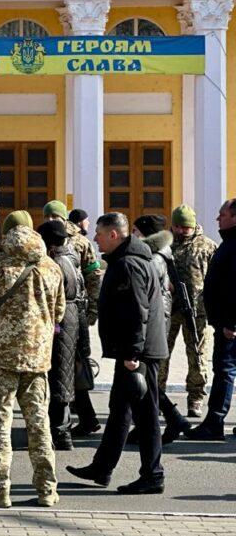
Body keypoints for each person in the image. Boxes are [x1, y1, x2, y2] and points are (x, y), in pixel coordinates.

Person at [0, 211, 64, 508]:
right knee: (39, 424)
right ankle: (47, 489)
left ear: (6, 233)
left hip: (0, 357)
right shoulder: (50, 267)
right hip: (37, 358)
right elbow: (59, 314)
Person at [68, 212, 168, 494]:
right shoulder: (127, 260)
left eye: (99, 234)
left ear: (114, 234)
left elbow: (138, 311)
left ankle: (153, 475)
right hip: (134, 350)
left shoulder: (128, 264)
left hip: (139, 353)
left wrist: (133, 352)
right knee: (119, 411)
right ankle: (102, 467)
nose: (94, 239)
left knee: (146, 415)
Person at [131, 214, 193, 443]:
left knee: (145, 376)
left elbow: (146, 295)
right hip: (158, 319)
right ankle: (166, 420)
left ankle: (172, 419)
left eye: (136, 231)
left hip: (153, 322)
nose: (133, 235)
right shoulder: (158, 253)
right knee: (145, 377)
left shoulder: (153, 257)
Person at [44, 201, 104, 437]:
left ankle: (69, 424)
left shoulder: (79, 241)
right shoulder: (48, 239)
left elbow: (93, 274)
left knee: (70, 368)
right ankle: (86, 418)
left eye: (53, 216)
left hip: (73, 310)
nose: (50, 220)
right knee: (69, 368)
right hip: (70, 312)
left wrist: (93, 309)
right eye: (47, 217)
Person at [184, 199, 236, 441]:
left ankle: (214, 422)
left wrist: (231, 323)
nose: (218, 219)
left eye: (222, 214)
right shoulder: (230, 243)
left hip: (230, 326)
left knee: (224, 371)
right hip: (225, 323)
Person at [164, 204, 216, 418]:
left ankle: (195, 398)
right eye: (177, 226)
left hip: (197, 311)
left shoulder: (207, 246)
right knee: (160, 354)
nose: (181, 230)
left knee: (197, 356)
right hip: (168, 309)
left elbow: (215, 280)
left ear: (193, 226)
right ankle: (157, 397)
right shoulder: (165, 245)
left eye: (185, 227)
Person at [37, 219, 83, 451]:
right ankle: (63, 429)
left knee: (57, 374)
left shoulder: (53, 263)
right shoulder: (72, 256)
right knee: (64, 373)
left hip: (60, 320)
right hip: (71, 317)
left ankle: (60, 432)